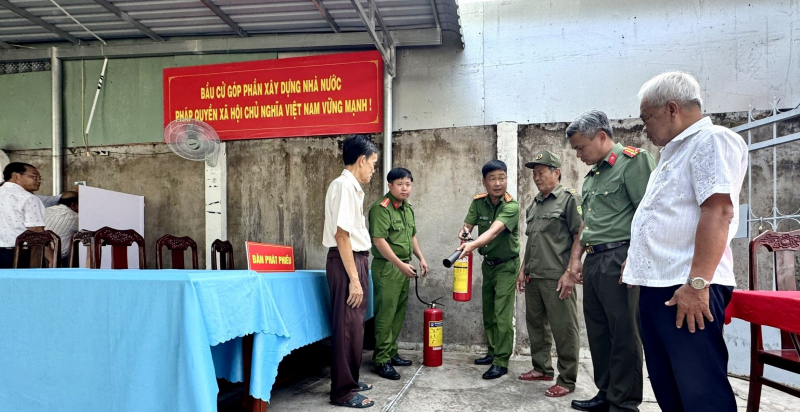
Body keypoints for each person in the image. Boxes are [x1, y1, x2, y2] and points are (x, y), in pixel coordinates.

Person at [622, 71, 747, 412]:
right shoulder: (673, 154)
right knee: (669, 387)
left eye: (647, 117)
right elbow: (668, 217)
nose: (645, 128)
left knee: (701, 391)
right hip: (661, 286)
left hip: (688, 286)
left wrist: (697, 283)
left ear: (672, 109)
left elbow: (719, 211)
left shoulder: (713, 141)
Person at [566, 110, 656, 412]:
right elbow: (585, 223)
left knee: (624, 334)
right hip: (594, 261)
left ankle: (624, 402)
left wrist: (635, 258)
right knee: (599, 332)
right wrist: (575, 259)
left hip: (620, 258)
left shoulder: (633, 161)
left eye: (581, 147)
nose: (578, 155)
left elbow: (649, 213)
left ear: (602, 136)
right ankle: (606, 393)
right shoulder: (592, 177)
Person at [516, 150, 583, 398]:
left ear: (556, 172)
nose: (537, 177)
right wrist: (523, 270)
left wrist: (570, 271)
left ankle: (566, 379)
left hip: (557, 277)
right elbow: (533, 240)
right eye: (534, 173)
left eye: (541, 172)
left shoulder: (569, 199)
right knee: (536, 326)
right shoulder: (535, 203)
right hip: (534, 275)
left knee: (564, 329)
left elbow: (580, 236)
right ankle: (541, 368)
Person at [322, 134, 378, 408]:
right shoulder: (344, 186)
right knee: (346, 327)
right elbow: (342, 235)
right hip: (347, 261)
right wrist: (354, 279)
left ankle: (350, 380)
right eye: (373, 164)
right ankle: (343, 391)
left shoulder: (351, 187)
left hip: (354, 260)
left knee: (354, 326)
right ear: (361, 160)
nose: (373, 170)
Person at [456, 160, 520, 380]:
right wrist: (464, 233)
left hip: (507, 266)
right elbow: (467, 226)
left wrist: (472, 245)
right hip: (489, 264)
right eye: (492, 178)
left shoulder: (511, 206)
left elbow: (493, 231)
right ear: (484, 181)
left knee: (502, 314)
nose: (497, 183)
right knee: (489, 312)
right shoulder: (478, 203)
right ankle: (492, 351)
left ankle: (501, 361)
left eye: (502, 177)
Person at [368, 167, 429, 380]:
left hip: (404, 266)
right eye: (400, 184)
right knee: (386, 314)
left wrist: (420, 257)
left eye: (408, 184)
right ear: (390, 185)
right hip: (387, 267)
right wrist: (399, 265)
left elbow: (412, 236)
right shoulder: (381, 208)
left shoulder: (406, 208)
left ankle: (391, 352)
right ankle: (381, 359)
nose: (405, 188)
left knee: (398, 313)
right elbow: (379, 240)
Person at [0, 162, 46, 268]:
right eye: (34, 177)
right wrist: (51, 257)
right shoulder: (27, 198)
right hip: (19, 255)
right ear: (16, 176)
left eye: (39, 178)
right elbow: (37, 232)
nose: (38, 181)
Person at [45, 192, 80, 266]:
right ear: (73, 205)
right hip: (56, 258)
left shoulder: (46, 210)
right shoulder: (74, 217)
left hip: (34, 253)